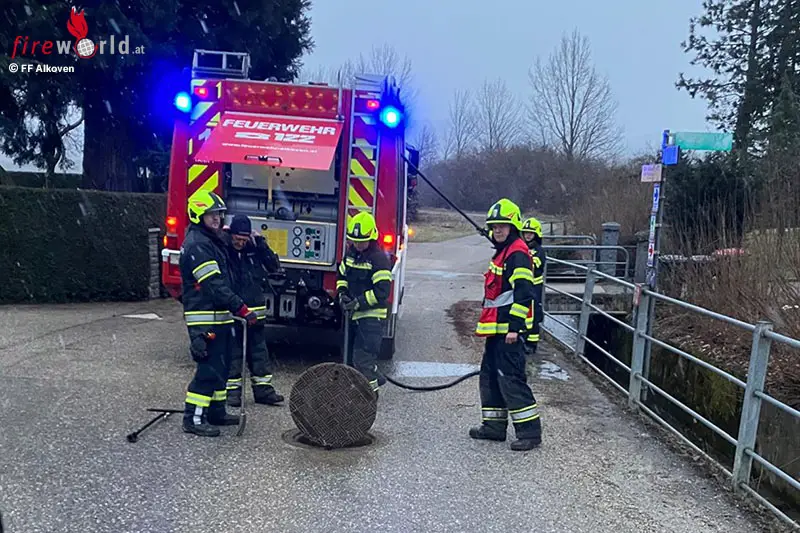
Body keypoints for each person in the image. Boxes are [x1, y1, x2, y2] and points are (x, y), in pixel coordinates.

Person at [180, 191, 258, 437]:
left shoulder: (210, 240)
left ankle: (216, 411)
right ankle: (193, 418)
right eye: (211, 215)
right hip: (205, 319)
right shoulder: (198, 245)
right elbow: (213, 284)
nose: (217, 219)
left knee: (222, 367)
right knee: (208, 369)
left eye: (219, 215)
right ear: (198, 216)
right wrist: (241, 308)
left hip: (219, 317)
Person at [470, 198, 542, 451]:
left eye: (502, 226)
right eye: (494, 226)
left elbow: (523, 293)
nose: (497, 230)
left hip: (509, 332)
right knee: (490, 378)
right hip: (496, 330)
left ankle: (530, 433)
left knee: (511, 380)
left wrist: (514, 328)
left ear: (513, 227)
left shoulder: (517, 253)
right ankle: (493, 426)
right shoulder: (505, 251)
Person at [224, 214, 285, 407]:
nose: (240, 243)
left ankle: (263, 391)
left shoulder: (255, 249)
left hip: (255, 312)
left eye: (244, 239)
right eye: (237, 239)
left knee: (259, 352)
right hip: (233, 311)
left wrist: (261, 243)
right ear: (231, 234)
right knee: (233, 353)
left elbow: (274, 266)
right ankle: (232, 393)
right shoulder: (223, 248)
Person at [336, 211, 393, 396]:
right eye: (355, 241)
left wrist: (357, 303)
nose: (358, 245)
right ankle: (361, 389)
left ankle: (369, 396)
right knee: (349, 359)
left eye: (362, 242)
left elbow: (382, 292)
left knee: (362, 360)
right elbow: (342, 275)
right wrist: (342, 294)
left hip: (372, 318)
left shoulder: (379, 259)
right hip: (354, 316)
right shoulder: (351, 254)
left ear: (372, 237)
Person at [521, 217, 546, 355]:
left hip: (535, 287)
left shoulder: (539, 250)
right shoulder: (522, 247)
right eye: (526, 233)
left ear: (536, 234)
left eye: (531, 233)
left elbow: (534, 266)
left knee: (534, 315)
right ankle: (523, 339)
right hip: (524, 286)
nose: (528, 235)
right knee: (523, 313)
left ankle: (532, 344)